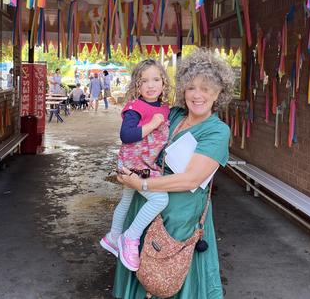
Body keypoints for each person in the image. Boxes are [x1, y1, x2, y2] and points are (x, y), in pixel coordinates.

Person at [112, 49, 234, 299]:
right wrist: (127, 167)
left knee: (171, 275)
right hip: (146, 204)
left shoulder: (217, 131)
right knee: (141, 265)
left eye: (206, 89)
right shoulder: (174, 114)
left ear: (219, 93)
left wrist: (142, 184)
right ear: (183, 90)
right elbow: (136, 136)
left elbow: (191, 179)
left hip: (181, 216)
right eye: (191, 88)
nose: (197, 95)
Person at [100, 59, 172, 272]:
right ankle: (129, 238)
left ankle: (113, 237)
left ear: (163, 82)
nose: (151, 85)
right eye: (144, 81)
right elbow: (126, 135)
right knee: (160, 198)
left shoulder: (165, 108)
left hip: (146, 163)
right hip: (133, 165)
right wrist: (152, 124)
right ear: (136, 86)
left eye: (156, 79)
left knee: (126, 200)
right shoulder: (135, 108)